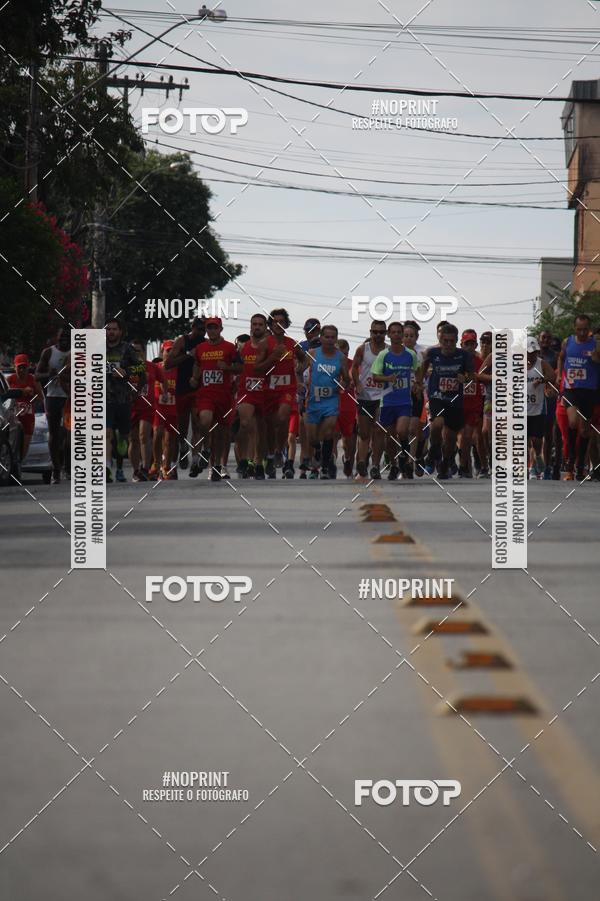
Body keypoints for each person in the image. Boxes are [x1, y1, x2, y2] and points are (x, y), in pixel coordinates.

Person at [254, 308, 305, 479]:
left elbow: (304, 359)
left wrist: (298, 370)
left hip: (287, 388)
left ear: (286, 324)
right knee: (269, 425)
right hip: (269, 390)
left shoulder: (292, 343)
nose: (278, 325)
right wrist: (272, 358)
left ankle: (278, 451)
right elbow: (257, 368)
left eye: (281, 322)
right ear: (271, 324)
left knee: (283, 417)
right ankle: (269, 455)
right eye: (275, 322)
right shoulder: (264, 344)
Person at [419, 323, 474, 479]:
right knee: (437, 424)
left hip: (455, 400)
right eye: (445, 341)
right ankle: (433, 451)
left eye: (452, 341)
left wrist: (465, 378)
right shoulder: (432, 353)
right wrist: (419, 382)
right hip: (437, 396)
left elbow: (472, 376)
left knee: (450, 438)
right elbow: (422, 369)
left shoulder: (464, 356)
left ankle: (445, 463)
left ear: (456, 340)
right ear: (440, 339)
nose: (448, 344)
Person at [191, 317, 239, 481]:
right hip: (206, 394)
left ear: (220, 329)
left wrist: (228, 368)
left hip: (224, 395)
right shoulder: (200, 348)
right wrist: (195, 377)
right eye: (209, 328)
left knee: (221, 433)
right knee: (205, 421)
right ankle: (206, 449)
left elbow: (240, 367)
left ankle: (216, 466)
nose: (212, 330)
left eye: (215, 327)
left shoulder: (230, 348)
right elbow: (197, 365)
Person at [371, 322, 420, 480]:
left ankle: (403, 458)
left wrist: (417, 384)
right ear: (389, 335)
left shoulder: (410, 354)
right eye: (394, 332)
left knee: (402, 431)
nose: (397, 335)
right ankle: (393, 464)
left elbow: (418, 370)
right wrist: (388, 378)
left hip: (404, 401)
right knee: (390, 437)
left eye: (400, 332)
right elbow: (375, 376)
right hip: (387, 401)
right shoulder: (383, 355)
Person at [556, 313, 600, 480]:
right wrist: (560, 374)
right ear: (575, 328)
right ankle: (569, 466)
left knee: (584, 432)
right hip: (571, 389)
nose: (582, 333)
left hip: (588, 391)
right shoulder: (568, 342)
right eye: (579, 330)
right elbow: (561, 358)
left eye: (585, 330)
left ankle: (580, 467)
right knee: (573, 421)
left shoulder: (595, 344)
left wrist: (596, 357)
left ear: (589, 330)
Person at [304, 325, 349, 479]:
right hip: (313, 401)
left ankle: (324, 467)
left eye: (332, 337)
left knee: (328, 433)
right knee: (312, 438)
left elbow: (346, 378)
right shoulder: (312, 354)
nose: (330, 340)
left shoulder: (340, 357)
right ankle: (317, 450)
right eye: (327, 337)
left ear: (336, 339)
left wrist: (344, 384)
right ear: (321, 338)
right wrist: (298, 383)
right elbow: (298, 370)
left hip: (331, 400)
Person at [164, 317, 206, 476]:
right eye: (199, 329)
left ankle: (195, 461)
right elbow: (168, 364)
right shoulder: (182, 341)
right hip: (182, 387)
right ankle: (183, 447)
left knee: (197, 425)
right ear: (193, 328)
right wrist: (189, 354)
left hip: (198, 388)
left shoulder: (206, 343)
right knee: (181, 427)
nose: (202, 332)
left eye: (204, 329)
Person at [351, 320, 388, 479]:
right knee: (364, 433)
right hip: (365, 396)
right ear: (370, 332)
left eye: (381, 332)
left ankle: (375, 465)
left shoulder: (389, 351)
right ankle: (361, 463)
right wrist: (358, 383)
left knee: (379, 431)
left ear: (385, 333)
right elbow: (354, 367)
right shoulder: (362, 349)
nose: (378, 335)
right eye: (375, 332)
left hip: (382, 396)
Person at [35, 326, 70, 484]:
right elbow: (36, 375)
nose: (65, 339)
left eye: (68, 337)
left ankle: (69, 468)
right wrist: (48, 374)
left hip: (71, 397)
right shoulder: (48, 352)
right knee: (54, 434)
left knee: (68, 434)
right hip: (53, 397)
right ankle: (56, 470)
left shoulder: (76, 353)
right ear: (57, 337)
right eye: (62, 336)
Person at [105, 318, 138, 483]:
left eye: (114, 329)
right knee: (107, 434)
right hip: (105, 398)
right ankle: (107, 469)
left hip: (124, 399)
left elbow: (141, 368)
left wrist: (125, 371)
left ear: (120, 331)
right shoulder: (99, 349)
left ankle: (119, 468)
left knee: (122, 438)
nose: (111, 332)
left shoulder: (127, 348)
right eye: (108, 329)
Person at [236, 314, 269, 479]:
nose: (257, 327)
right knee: (245, 423)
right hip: (246, 391)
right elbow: (237, 368)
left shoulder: (270, 347)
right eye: (254, 324)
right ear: (250, 326)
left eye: (260, 325)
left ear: (265, 328)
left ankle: (258, 462)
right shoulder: (243, 348)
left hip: (264, 392)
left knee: (261, 431)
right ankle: (244, 460)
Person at [526, 337, 556, 479]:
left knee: (537, 441)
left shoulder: (541, 363)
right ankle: (526, 468)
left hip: (537, 409)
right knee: (523, 441)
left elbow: (553, 376)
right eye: (529, 352)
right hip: (520, 409)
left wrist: (543, 380)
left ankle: (538, 455)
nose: (531, 355)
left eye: (534, 352)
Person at [458, 330, 484, 478]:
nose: (469, 346)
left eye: (472, 343)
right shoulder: (456, 359)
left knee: (468, 436)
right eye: (466, 343)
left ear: (476, 345)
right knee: (454, 437)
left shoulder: (480, 362)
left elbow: (484, 378)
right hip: (456, 404)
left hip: (473, 405)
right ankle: (450, 460)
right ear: (461, 344)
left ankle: (464, 466)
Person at [128, 339, 156, 481]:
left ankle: (145, 468)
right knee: (133, 439)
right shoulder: (126, 366)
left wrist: (163, 394)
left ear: (144, 352)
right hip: (131, 407)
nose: (135, 354)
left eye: (138, 351)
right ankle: (136, 470)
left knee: (143, 436)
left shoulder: (152, 367)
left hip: (147, 407)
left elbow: (163, 382)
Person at [402, 321, 428, 475]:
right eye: (406, 335)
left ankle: (411, 462)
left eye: (411, 336)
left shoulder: (422, 353)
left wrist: (419, 384)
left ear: (416, 337)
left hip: (416, 394)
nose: (408, 338)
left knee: (414, 429)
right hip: (399, 394)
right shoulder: (395, 352)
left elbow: (425, 372)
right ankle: (405, 458)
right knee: (402, 430)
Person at [8, 355, 44, 459]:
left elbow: (41, 398)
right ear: (15, 367)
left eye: (24, 367)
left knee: (26, 443)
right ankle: (11, 462)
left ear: (28, 367)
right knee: (11, 442)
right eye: (19, 367)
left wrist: (33, 396)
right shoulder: (10, 379)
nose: (22, 370)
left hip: (28, 416)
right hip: (12, 415)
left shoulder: (33, 380)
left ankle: (19, 463)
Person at [152, 340, 178, 480]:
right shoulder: (155, 367)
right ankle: (156, 464)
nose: (170, 354)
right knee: (157, 434)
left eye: (173, 351)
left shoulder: (179, 369)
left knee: (169, 440)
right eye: (168, 351)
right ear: (162, 352)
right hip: (158, 408)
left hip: (173, 409)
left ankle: (166, 467)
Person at [335, 338, 357, 477]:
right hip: (333, 405)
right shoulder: (329, 365)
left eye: (344, 352)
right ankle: (330, 463)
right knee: (332, 435)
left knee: (348, 440)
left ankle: (348, 458)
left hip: (350, 407)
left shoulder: (353, 365)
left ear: (348, 352)